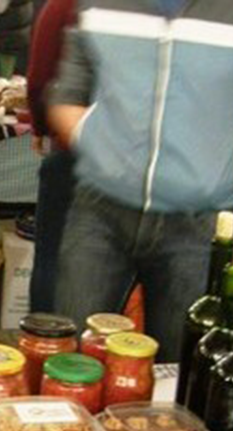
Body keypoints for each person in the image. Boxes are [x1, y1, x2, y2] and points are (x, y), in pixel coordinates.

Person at [48, 0, 232, 361]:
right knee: (71, 358)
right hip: (99, 209)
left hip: (198, 222)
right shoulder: (101, 4)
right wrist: (102, 153)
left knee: (183, 369)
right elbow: (69, 91)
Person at [27, 0, 76, 313]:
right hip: (152, 161)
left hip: (72, 150)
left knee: (51, 254)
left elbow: (41, 78)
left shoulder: (65, 5)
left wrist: (42, 128)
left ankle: (45, 342)